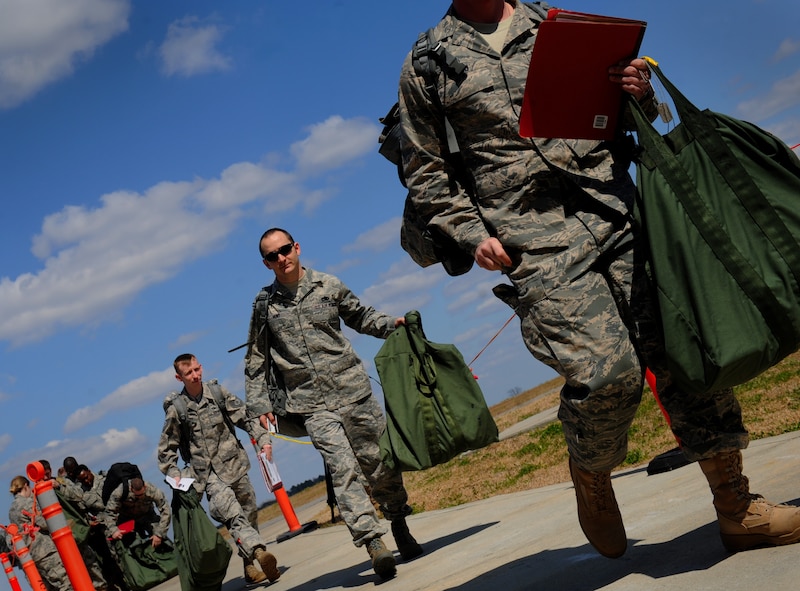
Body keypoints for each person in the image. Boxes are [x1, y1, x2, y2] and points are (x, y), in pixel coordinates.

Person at [396, 0, 800, 559]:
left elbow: (639, 111)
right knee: (606, 376)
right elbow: (424, 170)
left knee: (690, 354)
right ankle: (591, 473)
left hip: (619, 209)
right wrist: (470, 233)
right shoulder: (428, 62)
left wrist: (637, 90)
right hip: (534, 242)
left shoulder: (560, 26)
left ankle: (738, 509)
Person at [243, 227, 422, 580]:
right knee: (343, 471)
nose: (281, 258)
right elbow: (255, 358)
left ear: (296, 247)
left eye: (284, 249)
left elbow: (362, 316)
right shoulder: (265, 305)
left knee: (380, 464)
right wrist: (258, 406)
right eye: (272, 256)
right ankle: (373, 542)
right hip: (311, 405)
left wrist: (393, 324)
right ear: (265, 263)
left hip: (354, 391)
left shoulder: (329, 285)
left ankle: (398, 520)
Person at [157, 353, 280, 585]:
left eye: (196, 369)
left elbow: (245, 417)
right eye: (189, 373)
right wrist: (176, 478)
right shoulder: (177, 408)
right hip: (209, 477)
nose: (195, 375)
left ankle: (250, 568)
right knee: (233, 516)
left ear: (200, 366)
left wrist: (263, 439)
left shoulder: (217, 393)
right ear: (178, 377)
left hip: (236, 465)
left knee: (249, 515)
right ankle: (260, 552)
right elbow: (166, 451)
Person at [103, 478, 170, 548]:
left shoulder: (152, 490)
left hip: (147, 515)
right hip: (127, 519)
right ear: (131, 489)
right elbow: (109, 512)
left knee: (162, 540)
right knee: (127, 545)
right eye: (137, 495)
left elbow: (166, 511)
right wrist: (113, 530)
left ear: (145, 487)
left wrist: (159, 534)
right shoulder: (119, 492)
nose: (140, 497)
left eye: (142, 494)